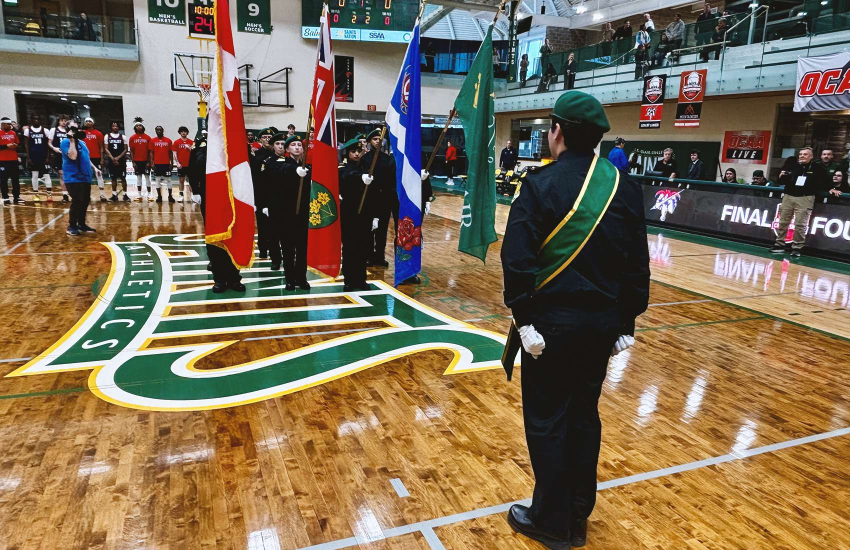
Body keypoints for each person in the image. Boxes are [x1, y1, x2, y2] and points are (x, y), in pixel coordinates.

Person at [501, 90, 650, 550]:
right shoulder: (623, 187)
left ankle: (550, 519)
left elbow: (517, 259)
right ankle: (578, 516)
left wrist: (523, 319)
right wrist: (627, 321)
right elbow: (637, 264)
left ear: (557, 131)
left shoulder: (539, 185)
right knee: (584, 417)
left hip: (548, 329)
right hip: (602, 329)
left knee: (548, 420)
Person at [187, 129, 245, 293]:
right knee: (214, 240)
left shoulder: (236, 146)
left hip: (234, 198)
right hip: (211, 198)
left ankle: (234, 278)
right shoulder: (202, 148)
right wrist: (196, 192)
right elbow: (193, 168)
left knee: (233, 237)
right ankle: (219, 279)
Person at [261, 133, 312, 289]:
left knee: (302, 248)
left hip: (303, 213)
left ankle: (301, 278)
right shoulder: (281, 163)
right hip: (285, 213)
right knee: (288, 248)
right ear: (287, 149)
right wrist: (295, 171)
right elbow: (278, 170)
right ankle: (290, 279)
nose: (297, 147)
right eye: (293, 145)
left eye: (299, 145)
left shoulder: (307, 167)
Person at [770, 147, 831, 258]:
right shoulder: (792, 166)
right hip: (788, 196)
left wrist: (831, 188)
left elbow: (827, 181)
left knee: (800, 224)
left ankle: (797, 247)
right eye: (801, 154)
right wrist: (780, 177)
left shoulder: (817, 168)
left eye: (805, 154)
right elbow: (781, 181)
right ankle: (779, 245)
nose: (802, 156)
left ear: (811, 157)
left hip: (805, 198)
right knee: (783, 221)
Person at [339, 138, 375, 292]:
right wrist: (360, 178)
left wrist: (375, 216)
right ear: (348, 152)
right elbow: (345, 178)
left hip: (365, 213)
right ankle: (349, 279)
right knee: (349, 247)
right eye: (353, 151)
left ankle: (361, 279)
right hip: (349, 212)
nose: (356, 154)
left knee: (363, 247)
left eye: (359, 151)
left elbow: (374, 193)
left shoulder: (367, 168)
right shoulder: (343, 167)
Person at [361, 128, 397, 267]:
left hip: (384, 199)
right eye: (375, 139)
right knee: (370, 229)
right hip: (370, 198)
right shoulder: (365, 159)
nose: (377, 141)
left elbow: (391, 179)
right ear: (370, 141)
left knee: (382, 230)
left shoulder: (387, 159)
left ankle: (379, 256)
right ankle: (369, 255)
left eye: (379, 139)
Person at [61, 121, 101, 235]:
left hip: (85, 176)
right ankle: (72, 226)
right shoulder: (65, 142)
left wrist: (94, 168)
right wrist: (72, 139)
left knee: (85, 200)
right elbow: (73, 156)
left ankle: (81, 224)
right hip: (73, 177)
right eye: (74, 129)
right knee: (77, 200)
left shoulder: (82, 143)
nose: (77, 131)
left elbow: (86, 157)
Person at [251, 127, 276, 259]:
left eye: (269, 138)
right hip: (260, 195)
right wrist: (255, 200)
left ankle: (274, 250)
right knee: (262, 225)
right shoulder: (256, 155)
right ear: (260, 139)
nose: (267, 139)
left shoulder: (277, 155)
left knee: (275, 226)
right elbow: (254, 178)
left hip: (274, 195)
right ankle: (263, 250)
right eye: (264, 137)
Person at [24, 114, 52, 202]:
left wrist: (47, 157)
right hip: (33, 156)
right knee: (34, 175)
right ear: (31, 120)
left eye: (37, 119)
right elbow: (26, 144)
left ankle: (49, 195)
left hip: (43, 156)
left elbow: (48, 145)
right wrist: (28, 157)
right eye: (34, 119)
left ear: (40, 120)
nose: (36, 120)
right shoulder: (27, 131)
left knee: (47, 175)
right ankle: (36, 194)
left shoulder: (45, 130)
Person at [82, 117, 107, 201]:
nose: (88, 122)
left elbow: (101, 147)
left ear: (93, 123)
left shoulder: (98, 133)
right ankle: (86, 195)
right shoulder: (81, 133)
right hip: (85, 158)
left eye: (90, 121)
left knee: (99, 175)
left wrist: (102, 158)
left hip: (96, 157)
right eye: (86, 121)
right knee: (86, 177)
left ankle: (102, 195)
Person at [0, 116, 23, 205]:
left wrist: (15, 146)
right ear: (3, 124)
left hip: (13, 159)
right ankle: (5, 197)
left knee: (15, 179)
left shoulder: (13, 133)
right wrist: (6, 146)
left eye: (11, 124)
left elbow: (17, 143)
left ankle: (16, 196)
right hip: (2, 160)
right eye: (8, 124)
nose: (10, 125)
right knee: (3, 180)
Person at [127, 117, 152, 201]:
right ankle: (139, 194)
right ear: (135, 128)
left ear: (143, 127)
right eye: (137, 126)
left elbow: (150, 151)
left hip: (146, 161)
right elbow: (131, 151)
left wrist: (149, 161)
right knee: (139, 178)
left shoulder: (148, 138)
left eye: (140, 126)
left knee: (147, 177)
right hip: (137, 161)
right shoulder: (132, 138)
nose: (138, 127)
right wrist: (133, 162)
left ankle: (149, 194)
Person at [149, 125, 175, 203]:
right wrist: (152, 163)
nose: (159, 131)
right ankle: (159, 196)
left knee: (169, 180)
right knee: (157, 180)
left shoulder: (168, 141)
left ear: (163, 131)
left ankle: (170, 196)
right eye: (157, 130)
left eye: (160, 130)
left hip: (166, 164)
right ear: (155, 131)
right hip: (157, 164)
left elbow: (170, 153)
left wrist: (171, 163)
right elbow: (151, 153)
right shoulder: (152, 141)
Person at [49, 115, 71, 203]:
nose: (64, 122)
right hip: (59, 155)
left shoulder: (69, 130)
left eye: (65, 120)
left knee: (70, 174)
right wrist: (54, 148)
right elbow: (49, 142)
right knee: (62, 175)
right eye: (62, 120)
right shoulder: (53, 130)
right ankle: (65, 194)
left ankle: (71, 193)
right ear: (59, 121)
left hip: (69, 155)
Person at [104, 121, 128, 202]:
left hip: (121, 161)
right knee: (113, 178)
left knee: (123, 178)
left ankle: (125, 195)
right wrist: (112, 158)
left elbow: (125, 149)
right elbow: (106, 148)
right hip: (112, 161)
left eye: (116, 126)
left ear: (119, 127)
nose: (115, 127)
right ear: (111, 127)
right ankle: (114, 195)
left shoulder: (123, 137)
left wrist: (118, 158)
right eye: (113, 126)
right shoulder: (107, 136)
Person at [173, 126, 194, 202]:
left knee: (191, 181)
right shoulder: (176, 142)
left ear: (187, 133)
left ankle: (192, 196)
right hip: (181, 165)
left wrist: (190, 148)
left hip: (190, 165)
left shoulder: (191, 142)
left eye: (185, 131)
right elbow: (175, 153)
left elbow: (195, 153)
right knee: (181, 180)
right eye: (182, 132)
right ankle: (181, 195)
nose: (183, 133)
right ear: (180, 133)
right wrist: (177, 163)